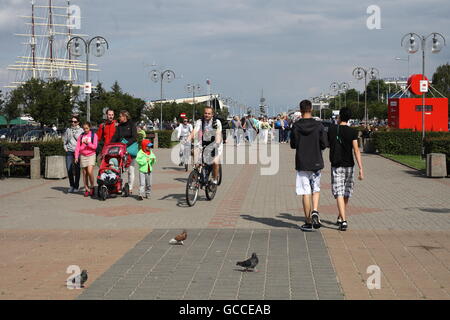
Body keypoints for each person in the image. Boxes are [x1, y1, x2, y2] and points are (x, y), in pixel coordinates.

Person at [290, 100, 328, 232]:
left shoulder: (296, 125)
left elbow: (293, 144)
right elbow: (324, 143)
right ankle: (315, 211)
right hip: (316, 161)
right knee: (315, 189)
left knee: (305, 192)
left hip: (302, 162)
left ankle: (308, 221)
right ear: (311, 109)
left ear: (300, 110)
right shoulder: (319, 125)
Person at [327, 107, 364, 231]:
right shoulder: (352, 132)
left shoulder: (332, 129)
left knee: (339, 192)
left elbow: (327, 144)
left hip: (336, 165)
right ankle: (341, 217)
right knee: (346, 192)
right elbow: (356, 150)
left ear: (339, 117)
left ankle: (343, 220)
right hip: (349, 165)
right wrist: (361, 168)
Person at [187, 106, 222, 184]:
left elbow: (218, 134)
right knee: (194, 152)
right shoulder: (200, 121)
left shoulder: (217, 122)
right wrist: (187, 140)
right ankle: (196, 171)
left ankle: (214, 179)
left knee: (215, 162)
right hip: (203, 142)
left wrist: (216, 144)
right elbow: (194, 131)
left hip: (215, 142)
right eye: (205, 113)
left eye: (209, 114)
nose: (207, 115)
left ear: (212, 114)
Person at [111, 110, 138, 195]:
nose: (119, 118)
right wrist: (110, 144)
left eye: (120, 116)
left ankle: (130, 187)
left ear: (125, 116)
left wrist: (125, 143)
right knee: (120, 169)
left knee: (130, 170)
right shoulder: (119, 126)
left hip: (130, 150)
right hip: (121, 151)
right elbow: (115, 136)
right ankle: (120, 186)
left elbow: (134, 137)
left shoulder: (132, 125)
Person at [75, 122, 98, 197]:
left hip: (91, 155)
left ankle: (92, 187)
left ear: (90, 127)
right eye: (84, 128)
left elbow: (95, 147)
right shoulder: (81, 136)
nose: (85, 130)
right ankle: (86, 188)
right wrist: (76, 157)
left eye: (87, 128)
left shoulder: (93, 135)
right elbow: (78, 148)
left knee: (90, 171)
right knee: (84, 173)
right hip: (83, 156)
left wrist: (88, 143)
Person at [63, 115, 84, 193]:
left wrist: (80, 151)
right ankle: (71, 185)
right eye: (71, 121)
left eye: (75, 122)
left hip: (77, 152)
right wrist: (65, 148)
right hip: (69, 151)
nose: (73, 123)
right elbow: (64, 140)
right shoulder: (68, 130)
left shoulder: (81, 130)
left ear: (78, 122)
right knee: (69, 169)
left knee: (77, 169)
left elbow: (83, 142)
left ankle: (76, 186)